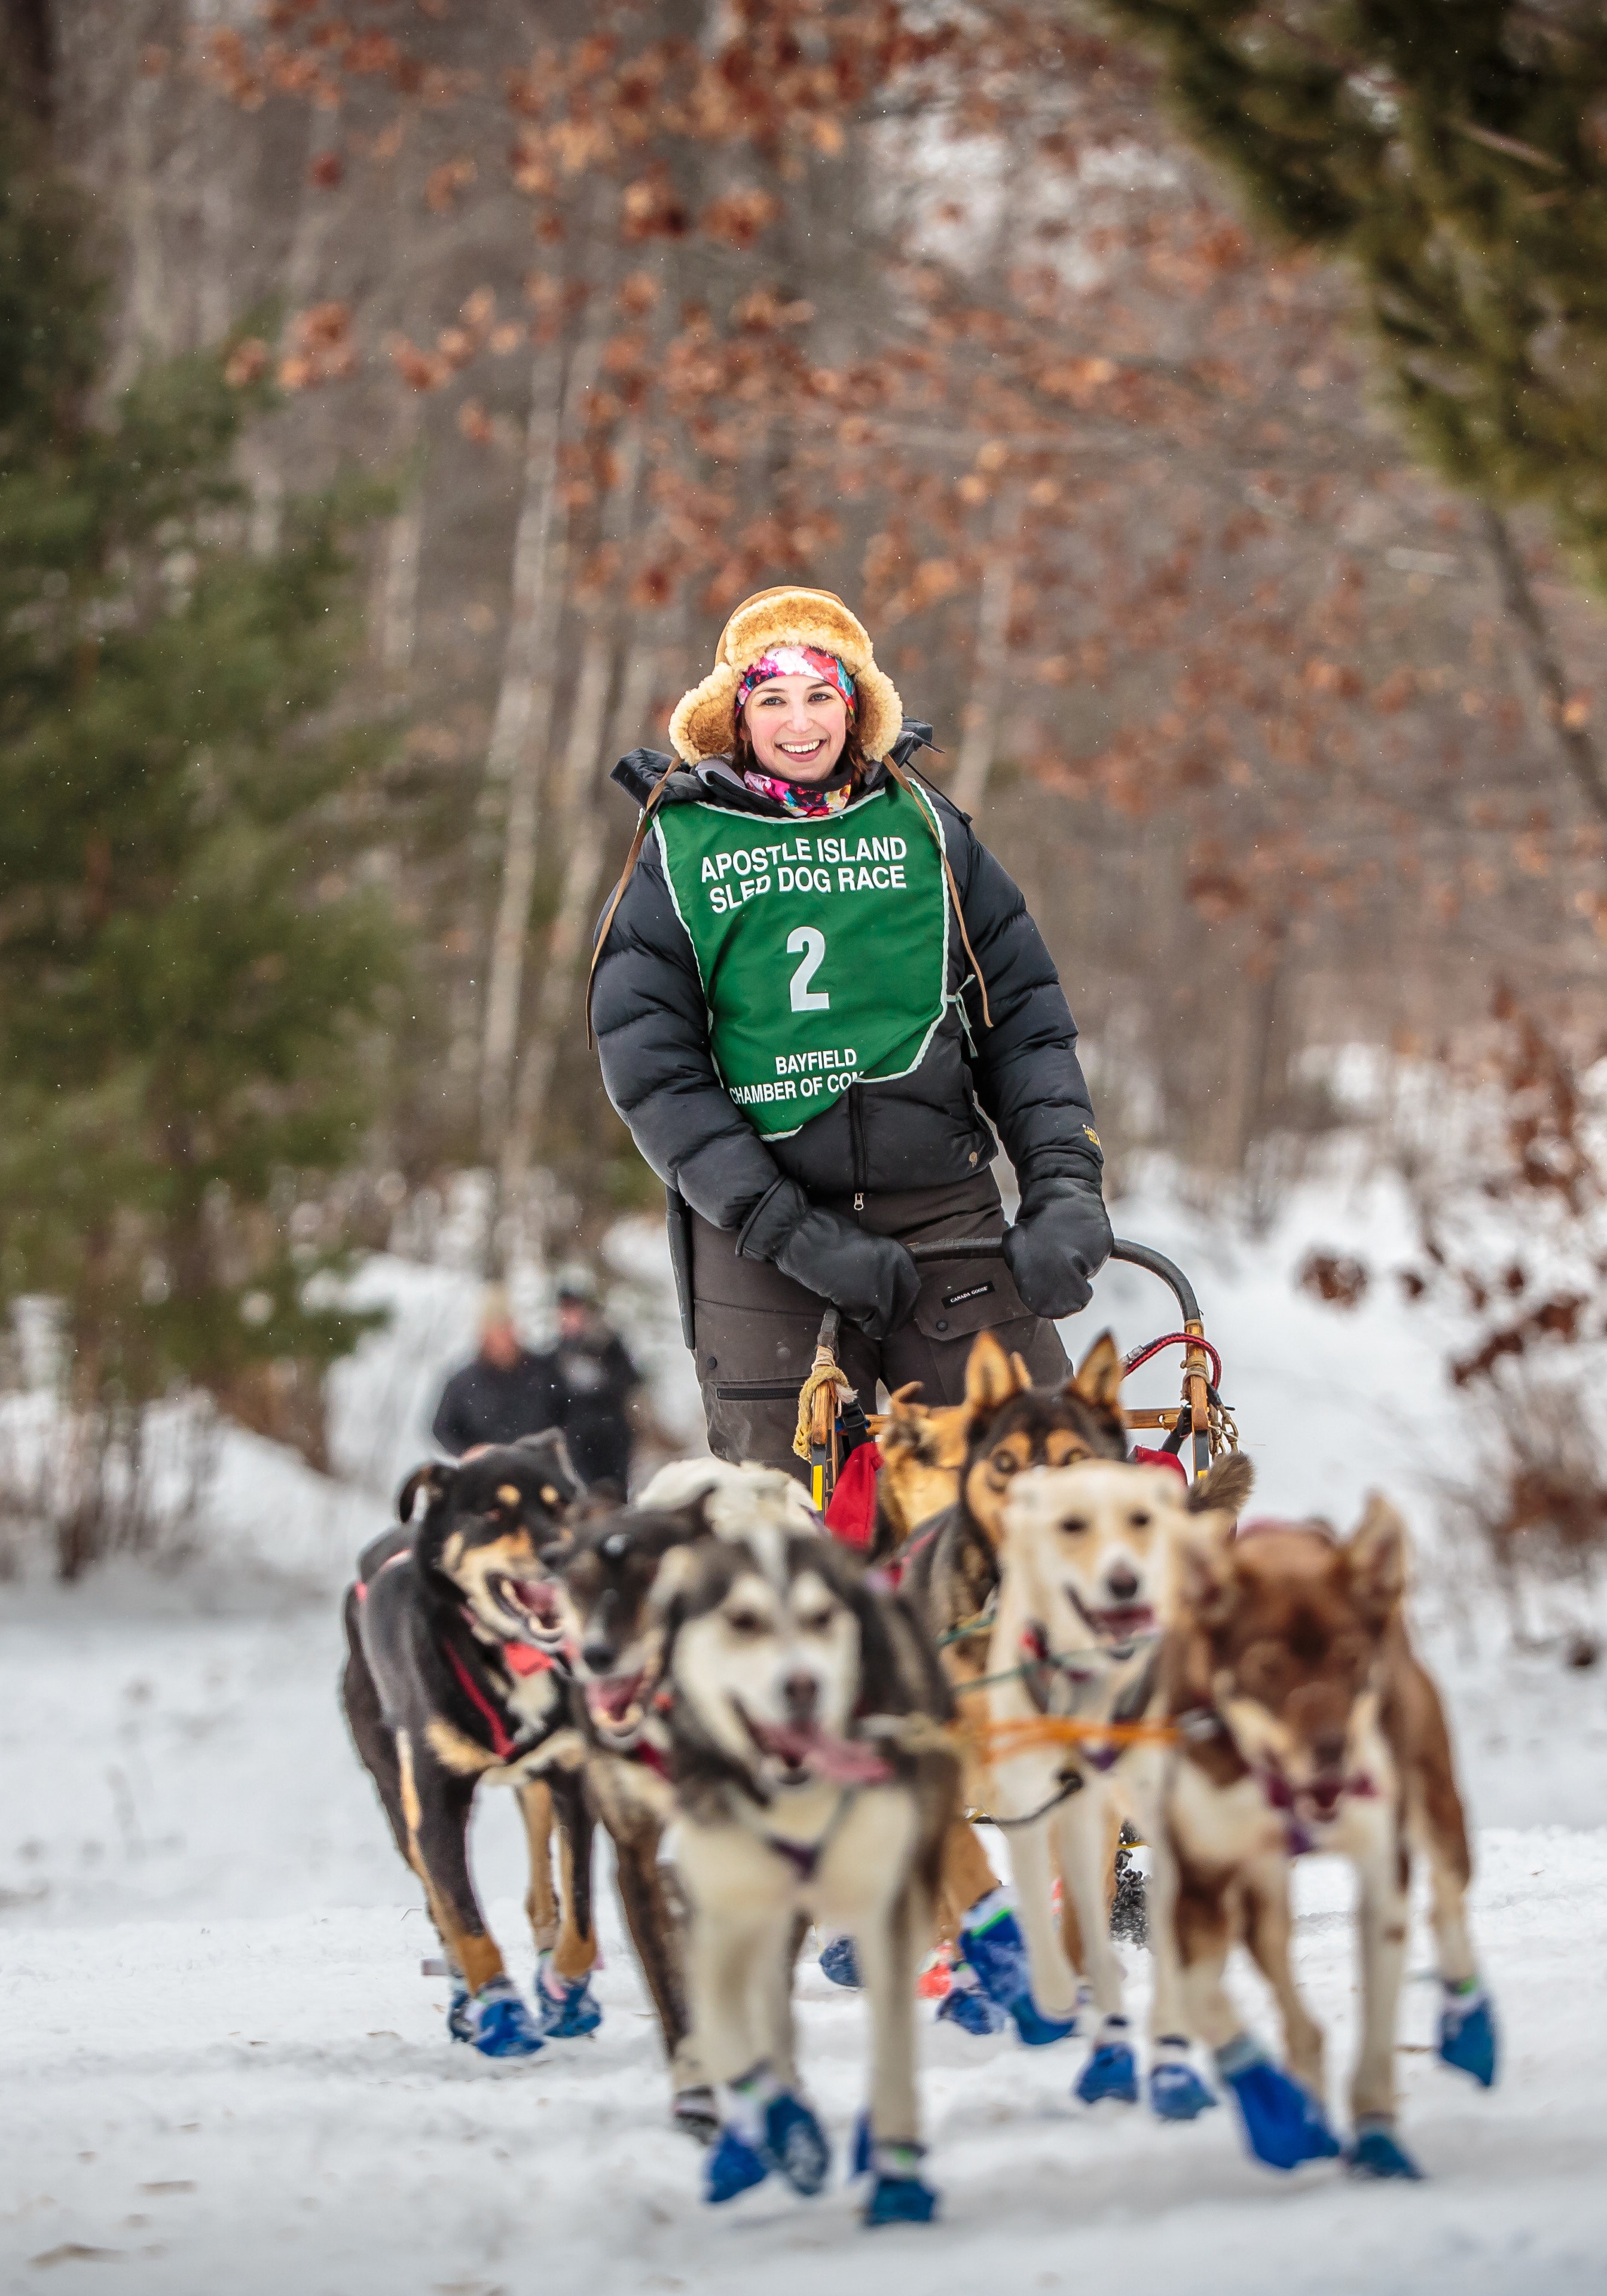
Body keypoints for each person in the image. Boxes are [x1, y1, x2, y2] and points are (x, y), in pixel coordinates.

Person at [588, 584, 1112, 1475]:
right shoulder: (676, 851)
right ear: (738, 714)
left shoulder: (929, 831)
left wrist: (1065, 1185)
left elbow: (1022, 1023)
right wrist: (790, 1230)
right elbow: (654, 1073)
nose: (802, 723)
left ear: (857, 706)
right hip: (762, 1240)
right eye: (775, 699)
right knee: (794, 1550)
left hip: (944, 1216)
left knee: (1042, 1492)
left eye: (822, 696)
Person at [431, 1286, 565, 1458]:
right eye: (495, 1330)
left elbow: (567, 1415)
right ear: (484, 1335)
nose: (503, 1337)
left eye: (506, 1328)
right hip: (487, 1476)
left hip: (537, 1471)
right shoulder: (463, 1383)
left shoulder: (544, 1372)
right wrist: (470, 1452)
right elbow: (443, 1428)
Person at [541, 1265, 640, 1496]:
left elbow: (629, 1380)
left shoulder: (607, 1344)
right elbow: (548, 1400)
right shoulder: (556, 1354)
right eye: (565, 1311)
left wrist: (599, 1382)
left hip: (611, 1433)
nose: (570, 1318)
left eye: (574, 1310)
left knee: (614, 1494)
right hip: (576, 1438)